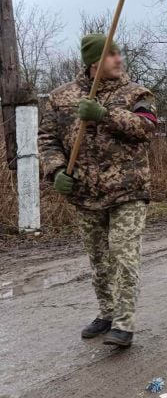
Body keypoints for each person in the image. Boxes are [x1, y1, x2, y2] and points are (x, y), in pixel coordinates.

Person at [38, 34, 158, 348]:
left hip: (128, 190)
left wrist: (105, 115)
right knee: (99, 259)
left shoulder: (137, 93)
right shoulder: (60, 98)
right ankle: (106, 313)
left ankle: (124, 323)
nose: (119, 59)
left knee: (122, 253)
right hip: (85, 193)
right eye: (111, 55)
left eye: (119, 54)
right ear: (94, 62)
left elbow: (147, 128)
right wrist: (56, 171)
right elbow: (47, 140)